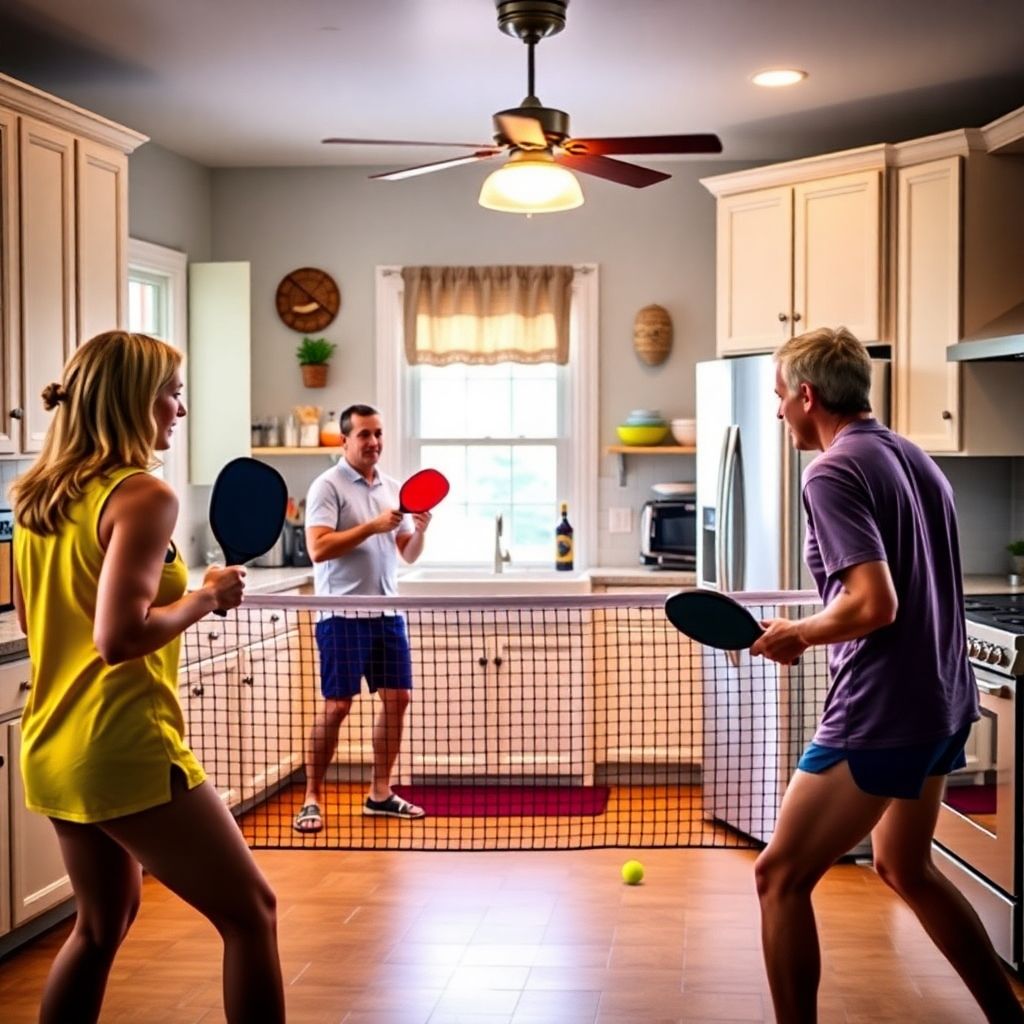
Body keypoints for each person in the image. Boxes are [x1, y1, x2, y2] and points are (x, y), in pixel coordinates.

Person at [749, 326, 1023, 1023]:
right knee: (906, 866)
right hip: (942, 700)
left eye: (780, 396)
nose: (778, 410)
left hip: (883, 710)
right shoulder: (913, 456)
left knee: (778, 875)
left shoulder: (832, 470)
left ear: (807, 396)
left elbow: (875, 603)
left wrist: (799, 634)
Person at [11, 331, 285, 1024]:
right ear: (133, 400)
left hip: (53, 744)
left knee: (100, 926)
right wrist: (204, 597)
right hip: (124, 744)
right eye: (171, 393)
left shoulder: (38, 497)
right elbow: (118, 638)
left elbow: (35, 613)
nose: (180, 409)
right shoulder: (142, 496)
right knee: (253, 913)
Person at [294, 403, 430, 832]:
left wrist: (420, 529)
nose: (374, 442)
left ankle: (380, 794)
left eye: (378, 434)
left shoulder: (392, 487)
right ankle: (312, 796)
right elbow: (318, 548)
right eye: (365, 435)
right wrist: (372, 527)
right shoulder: (327, 486)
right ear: (344, 439)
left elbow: (405, 552)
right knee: (337, 707)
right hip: (341, 614)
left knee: (398, 700)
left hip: (387, 612)